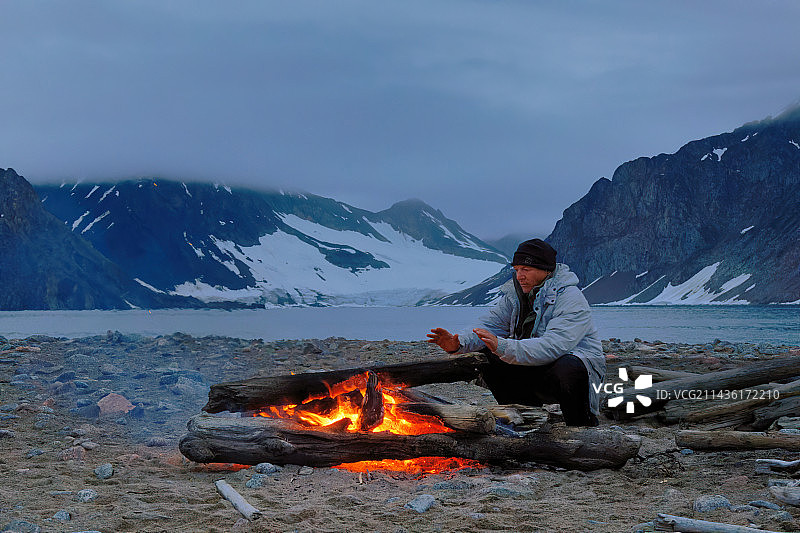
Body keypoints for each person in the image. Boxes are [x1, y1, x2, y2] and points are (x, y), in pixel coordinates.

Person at [427, 238, 605, 426]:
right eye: (517, 269)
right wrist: (458, 343)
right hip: (535, 367)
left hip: (573, 375)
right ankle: (526, 418)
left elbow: (553, 346)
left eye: (525, 270)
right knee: (487, 355)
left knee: (569, 365)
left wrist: (503, 345)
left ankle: (581, 425)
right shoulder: (515, 295)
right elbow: (488, 326)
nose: (519, 276)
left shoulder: (570, 298)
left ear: (546, 270)